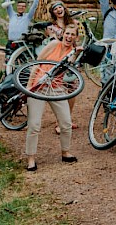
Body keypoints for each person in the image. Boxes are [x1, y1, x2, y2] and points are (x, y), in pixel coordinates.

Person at [24, 22, 81, 171]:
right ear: (63, 34)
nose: (69, 37)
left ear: (76, 37)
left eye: (72, 35)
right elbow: (37, 62)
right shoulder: (53, 44)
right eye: (67, 33)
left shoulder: (73, 51)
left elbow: (69, 68)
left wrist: (76, 53)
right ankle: (31, 159)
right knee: (34, 125)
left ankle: (65, 152)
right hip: (39, 86)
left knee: (66, 123)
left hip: (56, 88)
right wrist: (30, 86)